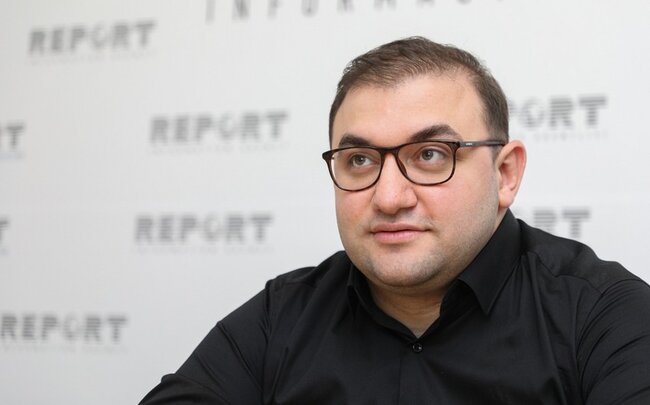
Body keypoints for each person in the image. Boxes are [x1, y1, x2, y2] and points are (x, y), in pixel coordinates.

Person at [140, 37, 650, 404]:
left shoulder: (603, 316)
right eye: (360, 160)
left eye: (430, 155)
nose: (388, 197)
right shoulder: (282, 317)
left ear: (505, 174)